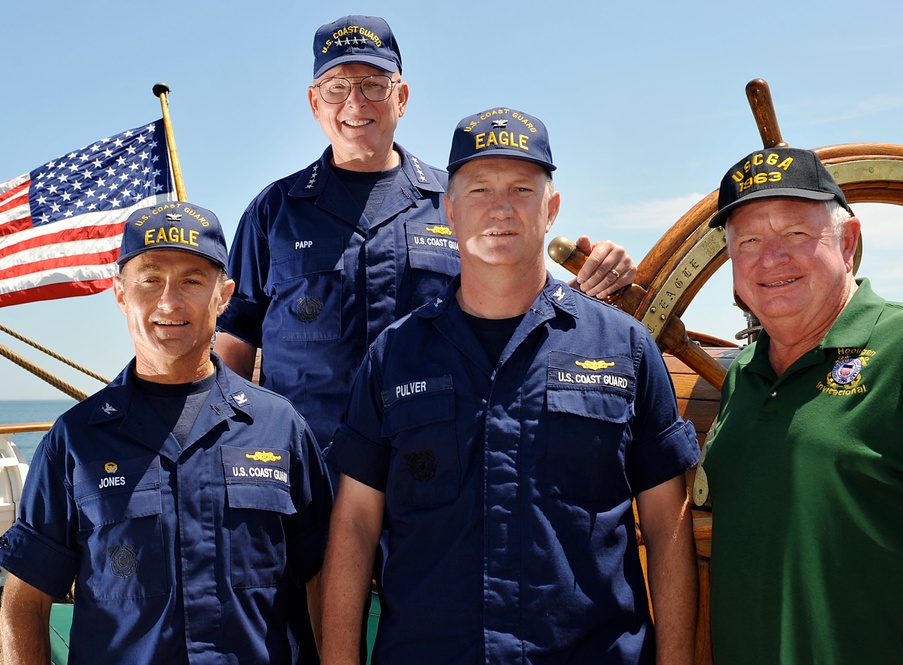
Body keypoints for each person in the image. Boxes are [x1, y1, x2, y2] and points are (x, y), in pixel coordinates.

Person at [321, 107, 701, 664]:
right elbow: (354, 525)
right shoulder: (394, 357)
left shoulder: (625, 348)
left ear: (551, 209)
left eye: (522, 188)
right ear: (449, 211)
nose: (500, 208)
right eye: (478, 190)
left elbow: (669, 524)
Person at [213, 15, 636, 451]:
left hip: (438, 474)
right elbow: (235, 342)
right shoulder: (274, 211)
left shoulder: (456, 204)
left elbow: (522, 301)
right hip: (309, 472)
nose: (355, 104)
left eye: (374, 85)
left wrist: (598, 278)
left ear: (402, 97)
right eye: (336, 87)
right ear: (314, 103)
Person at [701, 147, 903, 663]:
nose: (770, 259)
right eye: (747, 241)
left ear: (848, 242)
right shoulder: (742, 378)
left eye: (796, 233)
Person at [0, 203, 332, 664]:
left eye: (193, 281)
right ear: (120, 293)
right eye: (149, 279)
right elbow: (25, 600)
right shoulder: (74, 441)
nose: (169, 302)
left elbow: (323, 581)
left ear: (224, 296)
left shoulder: (280, 427)